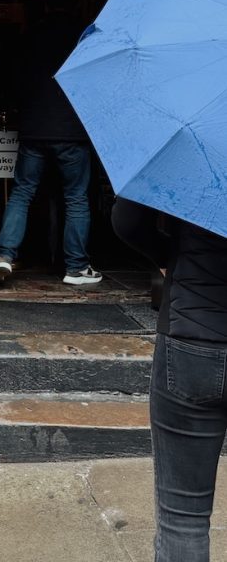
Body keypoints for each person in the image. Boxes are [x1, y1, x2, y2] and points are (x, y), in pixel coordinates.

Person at [112, 197, 227, 562]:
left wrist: (169, 254)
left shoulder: (196, 142)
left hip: (193, 335)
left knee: (184, 519)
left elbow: (127, 219)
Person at [0, 0, 101, 286]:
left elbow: (10, 78)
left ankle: (4, 256)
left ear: (47, 6)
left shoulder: (28, 35)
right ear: (75, 6)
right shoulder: (86, 35)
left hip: (34, 128)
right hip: (73, 131)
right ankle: (76, 268)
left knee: (23, 192)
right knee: (76, 198)